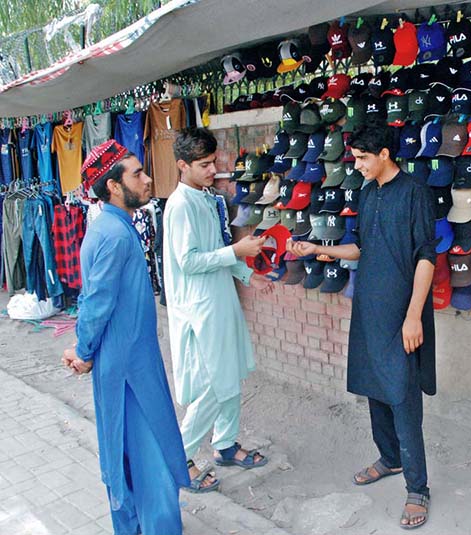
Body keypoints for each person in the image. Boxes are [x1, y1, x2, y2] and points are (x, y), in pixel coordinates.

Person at [287, 123, 437, 529]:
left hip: (402, 313)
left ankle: (417, 487)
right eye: (355, 158)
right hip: (369, 308)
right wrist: (320, 248)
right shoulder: (368, 193)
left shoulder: (414, 193)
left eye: (362, 158)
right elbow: (362, 248)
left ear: (384, 155)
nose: (357, 165)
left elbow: (426, 256)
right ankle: (389, 459)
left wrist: (412, 315)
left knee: (403, 397)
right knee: (375, 389)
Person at [62, 140, 189, 535]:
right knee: (147, 456)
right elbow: (96, 302)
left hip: (128, 359)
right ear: (114, 186)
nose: (149, 179)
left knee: (132, 452)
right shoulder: (114, 235)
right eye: (137, 173)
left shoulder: (114, 226)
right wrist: (82, 351)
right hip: (128, 368)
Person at [163, 127, 273, 492]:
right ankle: (180, 456)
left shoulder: (205, 198)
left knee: (232, 373)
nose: (214, 170)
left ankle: (225, 444)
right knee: (213, 384)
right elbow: (188, 262)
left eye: (214, 162)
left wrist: (245, 274)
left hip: (219, 299)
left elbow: (217, 247)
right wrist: (237, 254)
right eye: (205, 164)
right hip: (199, 307)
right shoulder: (180, 206)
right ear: (183, 165)